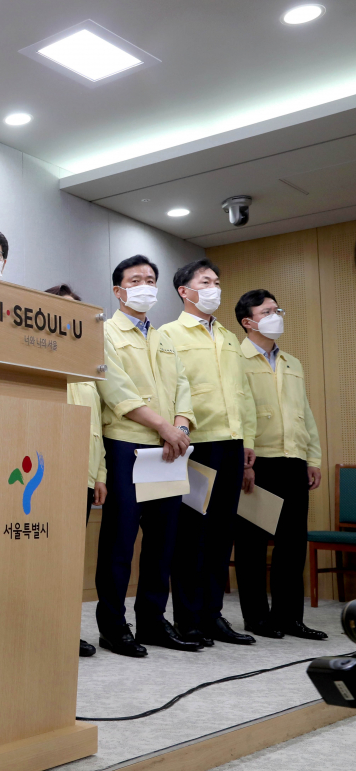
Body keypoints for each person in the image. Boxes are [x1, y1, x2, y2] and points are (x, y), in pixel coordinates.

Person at [95, 256, 201, 657]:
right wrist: (163, 427)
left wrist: (181, 427)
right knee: (121, 540)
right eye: (135, 280)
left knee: (163, 540)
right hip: (127, 444)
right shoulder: (104, 332)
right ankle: (113, 625)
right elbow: (116, 390)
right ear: (118, 290)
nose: (145, 286)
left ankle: (154, 622)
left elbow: (184, 388)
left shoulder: (164, 337)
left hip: (169, 448)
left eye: (150, 280)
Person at [158, 259, 257, 647]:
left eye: (217, 281)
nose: (215, 287)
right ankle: (188, 618)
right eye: (206, 282)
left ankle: (213, 614)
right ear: (185, 291)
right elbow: (172, 391)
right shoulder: (168, 334)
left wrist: (247, 440)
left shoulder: (229, 337)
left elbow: (242, 394)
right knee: (191, 535)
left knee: (220, 533)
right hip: (196, 443)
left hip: (232, 443)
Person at [232, 290, 327, 640]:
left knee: (292, 543)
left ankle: (290, 618)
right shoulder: (235, 359)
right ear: (248, 321)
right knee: (253, 544)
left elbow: (305, 413)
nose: (276, 315)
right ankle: (257, 618)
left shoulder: (292, 362)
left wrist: (311, 457)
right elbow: (238, 413)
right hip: (259, 462)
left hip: (294, 461)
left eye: (278, 309)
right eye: (267, 311)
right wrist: (244, 459)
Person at [47, 284, 104, 659]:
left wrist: (100, 475)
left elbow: (96, 425)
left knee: (69, 563)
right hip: (49, 476)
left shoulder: (87, 365)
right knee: (46, 560)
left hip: (84, 475)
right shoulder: (38, 359)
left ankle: (67, 632)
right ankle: (45, 632)